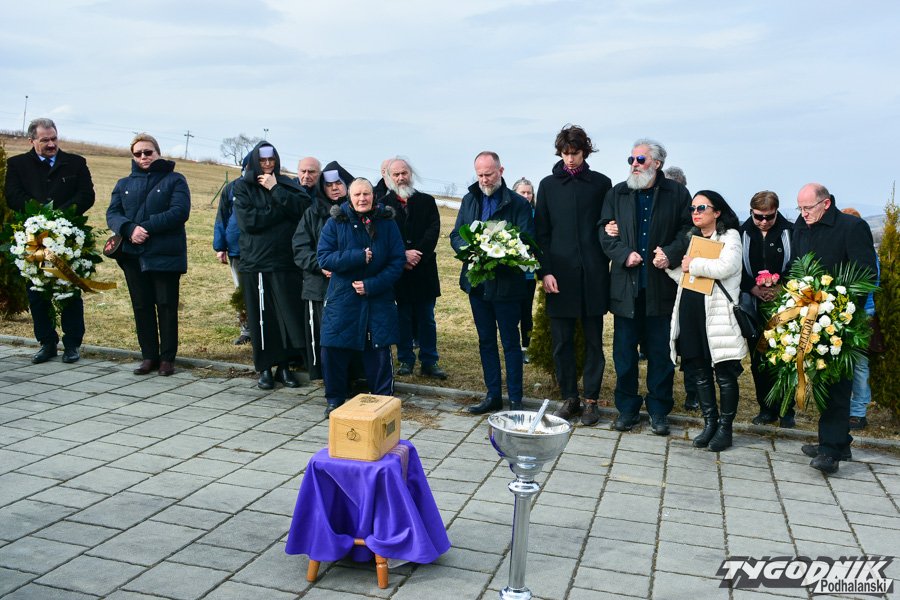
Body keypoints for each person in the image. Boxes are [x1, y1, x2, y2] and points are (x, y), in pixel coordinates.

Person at [600, 139, 691, 435]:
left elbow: (688, 230)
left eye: (640, 159)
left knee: (661, 356)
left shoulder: (676, 193)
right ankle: (626, 409)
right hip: (626, 289)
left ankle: (659, 410)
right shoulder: (618, 192)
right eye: (632, 159)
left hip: (659, 288)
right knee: (624, 355)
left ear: (657, 163)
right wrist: (623, 254)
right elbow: (603, 230)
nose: (634, 165)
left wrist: (670, 253)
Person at [793, 184, 877, 474]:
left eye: (808, 208)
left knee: (838, 384)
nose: (803, 214)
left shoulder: (852, 227)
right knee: (823, 381)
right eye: (800, 208)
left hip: (842, 320)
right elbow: (797, 266)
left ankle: (829, 451)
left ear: (826, 203)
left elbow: (866, 274)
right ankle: (839, 442)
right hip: (809, 315)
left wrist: (841, 312)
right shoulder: (801, 227)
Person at [534, 125, 612, 426]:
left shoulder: (601, 184)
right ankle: (570, 398)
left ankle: (591, 401)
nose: (570, 159)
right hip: (559, 276)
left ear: (585, 152)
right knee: (562, 343)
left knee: (593, 342)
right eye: (565, 154)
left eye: (575, 153)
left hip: (593, 275)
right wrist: (545, 272)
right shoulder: (548, 185)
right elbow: (541, 233)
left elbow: (608, 225)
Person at [5, 118, 95, 364]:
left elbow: (86, 195)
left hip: (67, 238)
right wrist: (40, 217)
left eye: (54, 138)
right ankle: (46, 342)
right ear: (32, 140)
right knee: (37, 290)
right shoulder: (17, 164)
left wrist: (60, 217)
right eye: (44, 140)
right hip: (33, 238)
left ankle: (72, 344)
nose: (51, 144)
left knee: (68, 289)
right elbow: (13, 195)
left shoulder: (76, 163)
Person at [450, 151, 534, 414]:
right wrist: (470, 249)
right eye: (480, 175)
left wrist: (498, 252)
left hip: (507, 286)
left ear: (501, 171)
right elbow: (456, 234)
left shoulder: (518, 204)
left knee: (510, 343)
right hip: (478, 285)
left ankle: (516, 399)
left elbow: (525, 240)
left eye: (488, 174)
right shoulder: (470, 199)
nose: (484, 180)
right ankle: (493, 395)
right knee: (486, 341)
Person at [317, 178, 406, 416]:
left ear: (373, 196)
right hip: (342, 297)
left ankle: (383, 402)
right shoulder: (336, 222)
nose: (362, 199)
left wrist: (372, 285)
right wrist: (357, 256)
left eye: (366, 194)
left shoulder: (387, 223)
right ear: (349, 197)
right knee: (333, 349)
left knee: (378, 350)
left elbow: (397, 261)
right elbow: (324, 257)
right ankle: (334, 399)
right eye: (357, 195)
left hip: (378, 297)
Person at [668, 191, 747, 451]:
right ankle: (709, 423)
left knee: (724, 374)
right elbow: (687, 275)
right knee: (699, 372)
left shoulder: (730, 236)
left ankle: (726, 428)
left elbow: (727, 267)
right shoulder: (693, 238)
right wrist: (668, 266)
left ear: (717, 211)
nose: (696, 212)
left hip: (718, 315)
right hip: (691, 311)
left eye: (702, 208)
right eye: (693, 208)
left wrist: (693, 264)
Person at [106, 133, 190, 376]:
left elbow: (179, 211)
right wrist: (129, 229)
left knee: (166, 305)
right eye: (138, 153)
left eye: (148, 152)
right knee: (141, 306)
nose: (143, 156)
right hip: (132, 255)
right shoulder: (123, 184)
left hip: (165, 253)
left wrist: (145, 228)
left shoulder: (175, 180)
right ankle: (148, 356)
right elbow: (113, 213)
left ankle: (167, 358)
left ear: (158, 153)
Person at [233, 142, 311, 390]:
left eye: (271, 159)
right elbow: (249, 222)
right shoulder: (242, 186)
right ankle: (265, 368)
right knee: (261, 317)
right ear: (255, 161)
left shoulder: (286, 184)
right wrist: (280, 211)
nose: (267, 164)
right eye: (263, 160)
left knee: (285, 317)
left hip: (284, 262)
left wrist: (275, 190)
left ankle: (284, 367)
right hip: (255, 262)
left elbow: (303, 210)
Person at [380, 157, 447, 380]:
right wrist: (402, 256)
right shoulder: (382, 205)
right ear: (389, 177)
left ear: (411, 174)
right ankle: (405, 360)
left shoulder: (427, 201)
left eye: (404, 173)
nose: (401, 177)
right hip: (398, 273)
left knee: (427, 318)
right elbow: (384, 237)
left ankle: (429, 360)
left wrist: (417, 254)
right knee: (403, 318)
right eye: (396, 174)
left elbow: (433, 230)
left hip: (423, 269)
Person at [292, 160, 354, 381]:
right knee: (321, 333)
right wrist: (321, 266)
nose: (335, 188)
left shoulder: (356, 213)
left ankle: (350, 376)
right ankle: (326, 376)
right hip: (318, 286)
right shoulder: (312, 213)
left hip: (349, 285)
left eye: (338, 183)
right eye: (329, 185)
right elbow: (300, 248)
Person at [739, 191, 794, 427]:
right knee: (759, 358)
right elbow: (736, 266)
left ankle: (787, 409)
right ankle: (766, 408)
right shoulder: (742, 233)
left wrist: (782, 286)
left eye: (769, 217)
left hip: (785, 304)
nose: (763, 222)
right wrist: (752, 287)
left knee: (785, 357)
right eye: (758, 217)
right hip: (753, 304)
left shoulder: (790, 231)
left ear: (777, 212)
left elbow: (797, 263)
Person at [841, 207, 878, 431]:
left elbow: (871, 283)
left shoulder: (866, 253)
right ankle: (844, 408)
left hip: (863, 312)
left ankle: (858, 412)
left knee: (859, 364)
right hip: (841, 311)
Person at [213, 155, 252, 345]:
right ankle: (246, 330)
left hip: (260, 250)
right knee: (241, 291)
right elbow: (222, 217)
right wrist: (220, 246)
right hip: (236, 250)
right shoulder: (231, 189)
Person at [511, 177, 537, 365]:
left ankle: (526, 347)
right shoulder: (511, 212)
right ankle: (512, 347)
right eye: (523, 192)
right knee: (512, 312)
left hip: (529, 273)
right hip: (512, 271)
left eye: (529, 193)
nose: (526, 196)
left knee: (526, 312)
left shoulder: (537, 214)